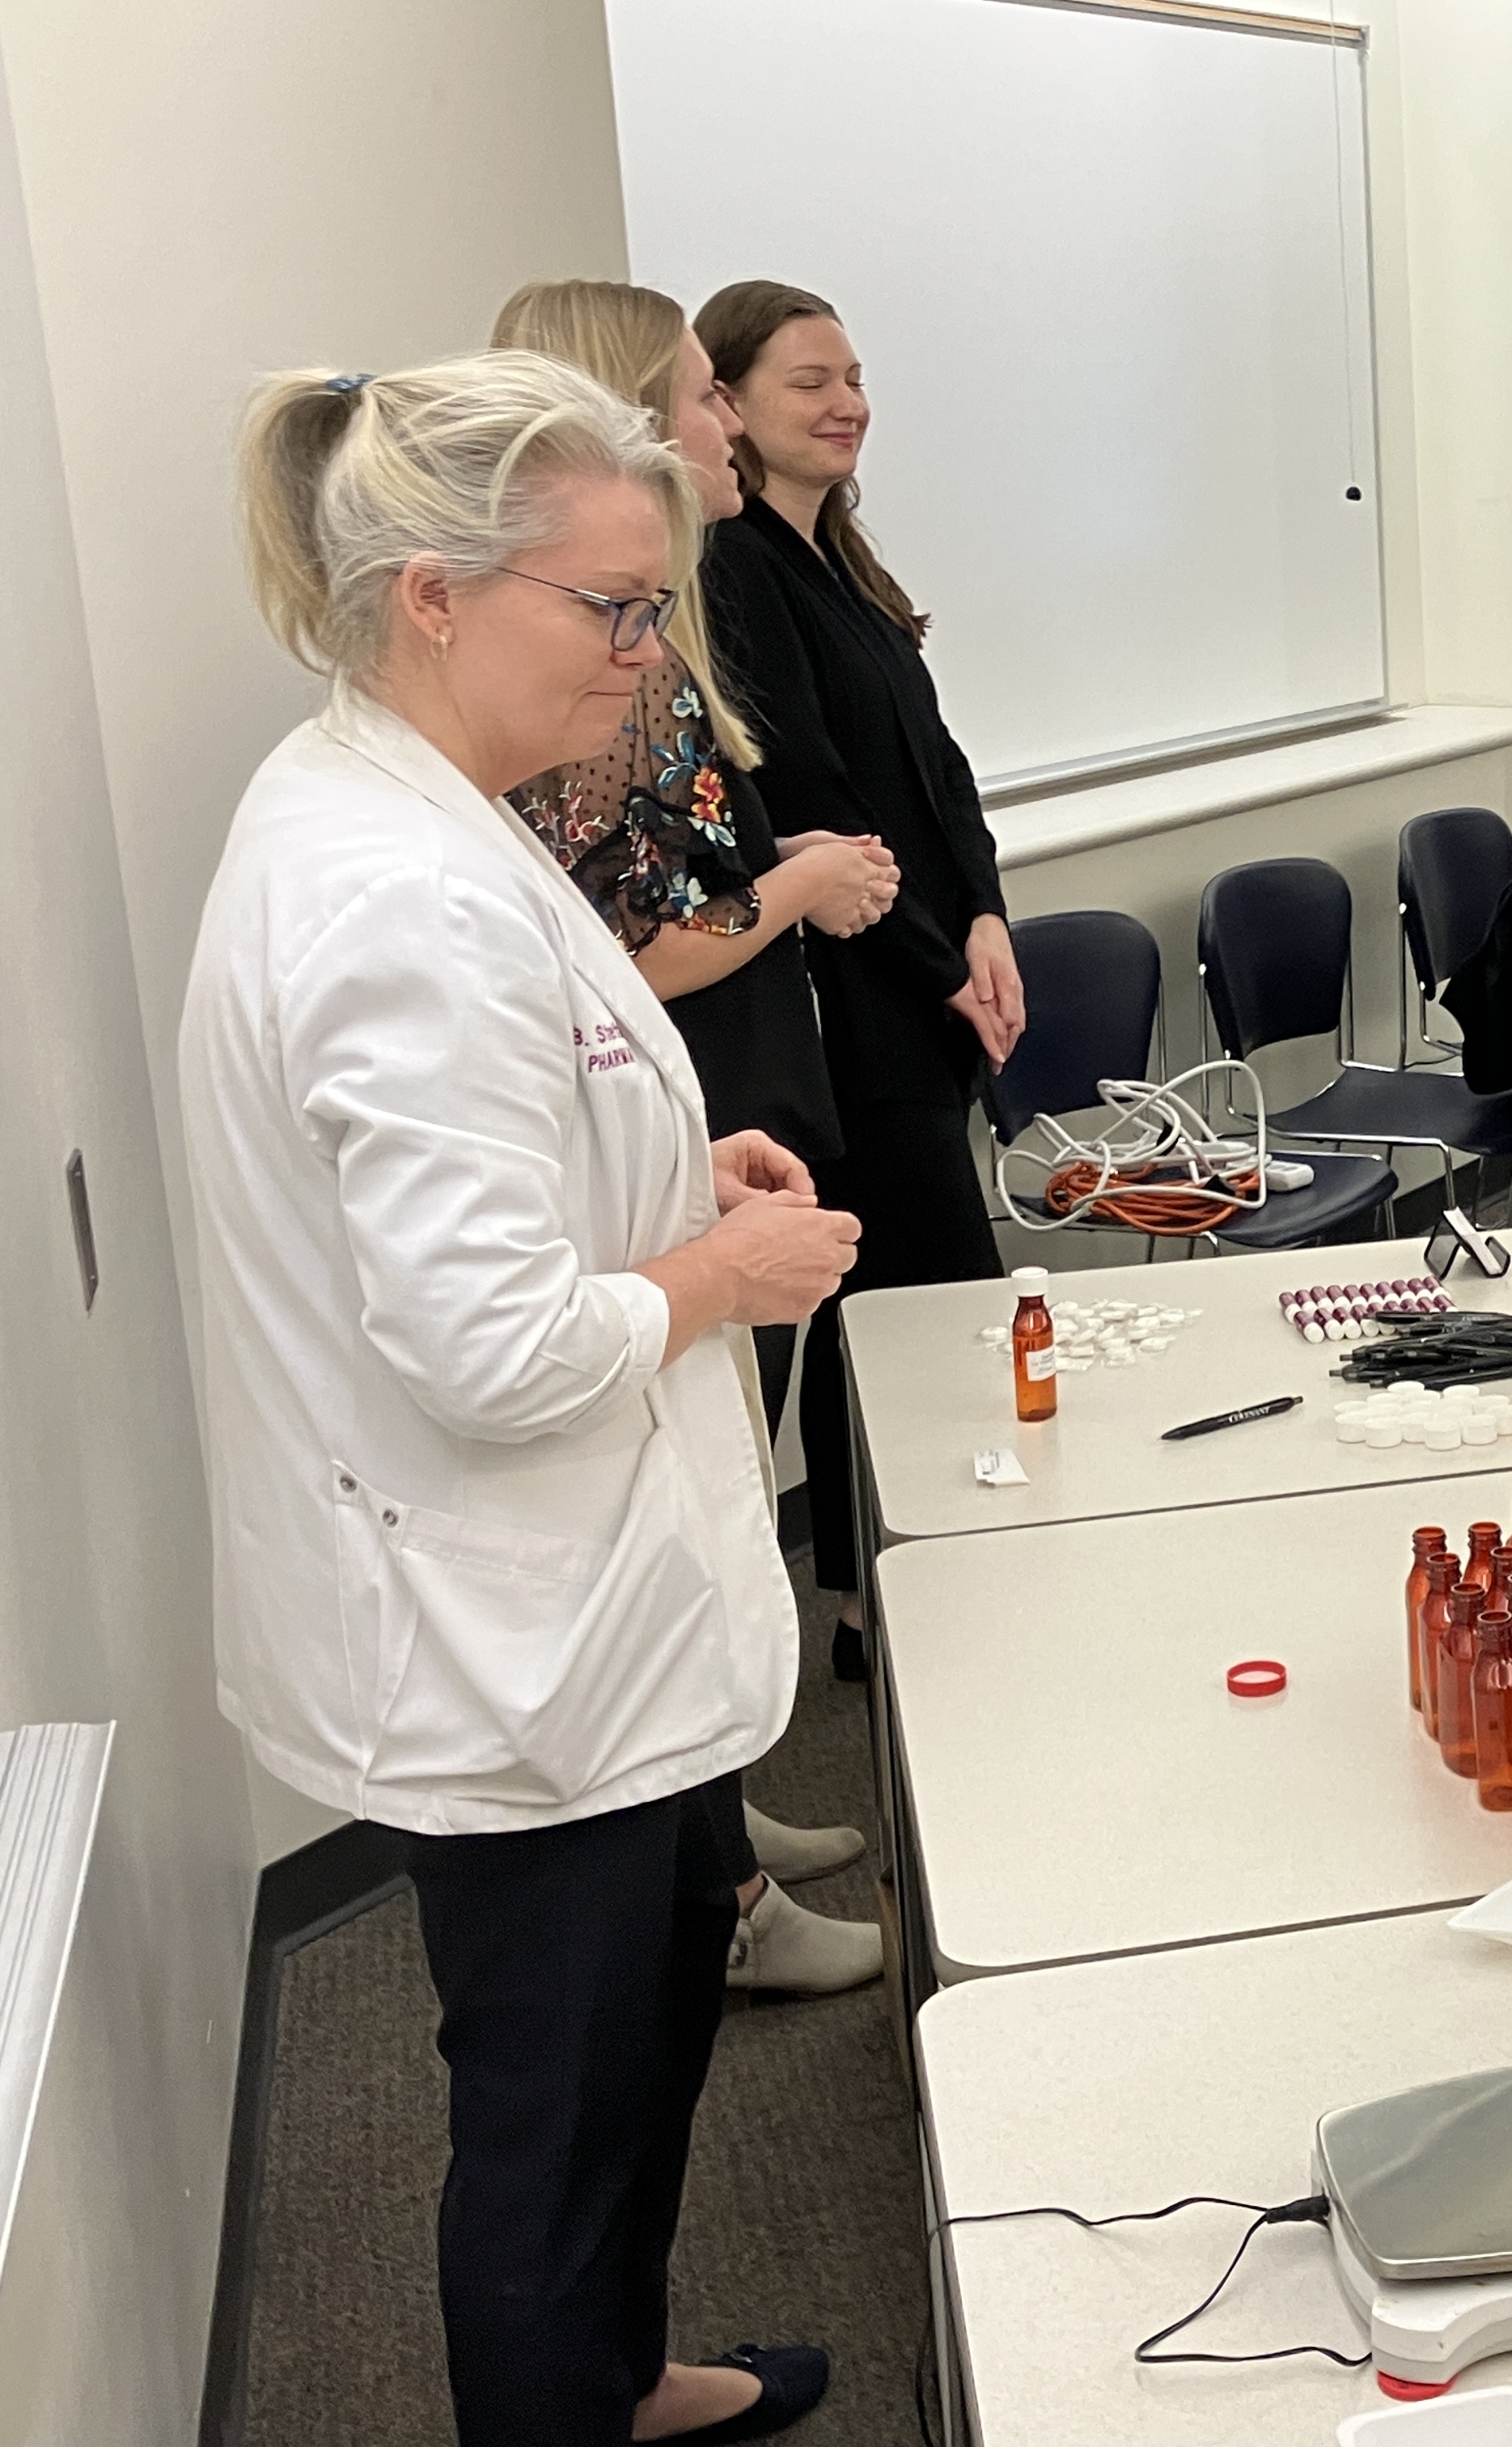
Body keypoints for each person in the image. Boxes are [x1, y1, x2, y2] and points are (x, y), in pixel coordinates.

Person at [187, 351, 850, 2442]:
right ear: (436, 599)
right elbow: (477, 1345)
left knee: (641, 2041)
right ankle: (561, 2398)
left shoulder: (420, 813)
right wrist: (720, 1271)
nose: (656, 654)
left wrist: (673, 1187)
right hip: (504, 1641)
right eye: (618, 608)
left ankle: (619, 2377)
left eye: (660, 602)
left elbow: (506, 1172)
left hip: (572, 1621)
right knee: (551, 2124)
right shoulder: (389, 892)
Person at [491, 278, 891, 2000]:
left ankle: (719, 1833)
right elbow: (629, 933)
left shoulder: (661, 651)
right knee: (692, 1508)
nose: (726, 424)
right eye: (704, 399)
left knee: (731, 1484)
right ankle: (715, 1892)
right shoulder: (607, 677)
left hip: (733, 1105)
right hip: (692, 1107)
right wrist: (794, 887)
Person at [694, 280, 1021, 1680]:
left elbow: (934, 771)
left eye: (853, 377)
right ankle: (885, 1598)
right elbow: (814, 807)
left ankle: (873, 1600)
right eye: (803, 383)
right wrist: (944, 965)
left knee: (899, 1303)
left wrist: (991, 916)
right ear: (730, 409)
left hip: (922, 984)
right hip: (855, 1010)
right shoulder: (735, 570)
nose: (844, 403)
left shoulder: (845, 565)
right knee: (919, 1313)